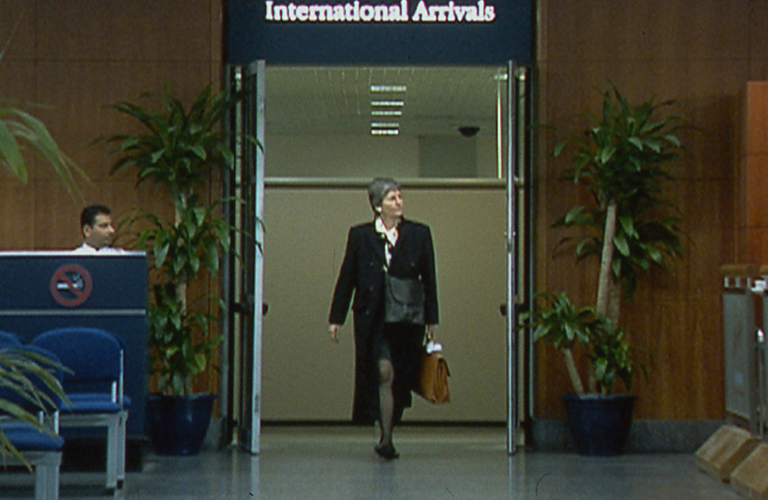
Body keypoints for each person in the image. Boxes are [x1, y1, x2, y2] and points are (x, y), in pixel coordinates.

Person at [328, 177, 439, 460]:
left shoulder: (418, 234)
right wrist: (336, 317)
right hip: (373, 317)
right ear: (378, 206)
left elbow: (429, 279)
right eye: (392, 198)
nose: (399, 202)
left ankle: (388, 426)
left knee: (399, 376)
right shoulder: (361, 236)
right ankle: (386, 438)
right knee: (383, 371)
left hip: (406, 317)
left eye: (400, 197)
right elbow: (348, 277)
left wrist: (431, 320)